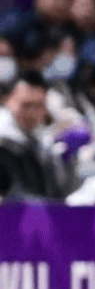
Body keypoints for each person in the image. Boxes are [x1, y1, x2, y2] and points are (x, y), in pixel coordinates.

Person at [0, 70, 64, 199]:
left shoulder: (40, 137)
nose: (31, 113)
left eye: (38, 106)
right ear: (6, 100)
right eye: (26, 105)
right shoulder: (4, 142)